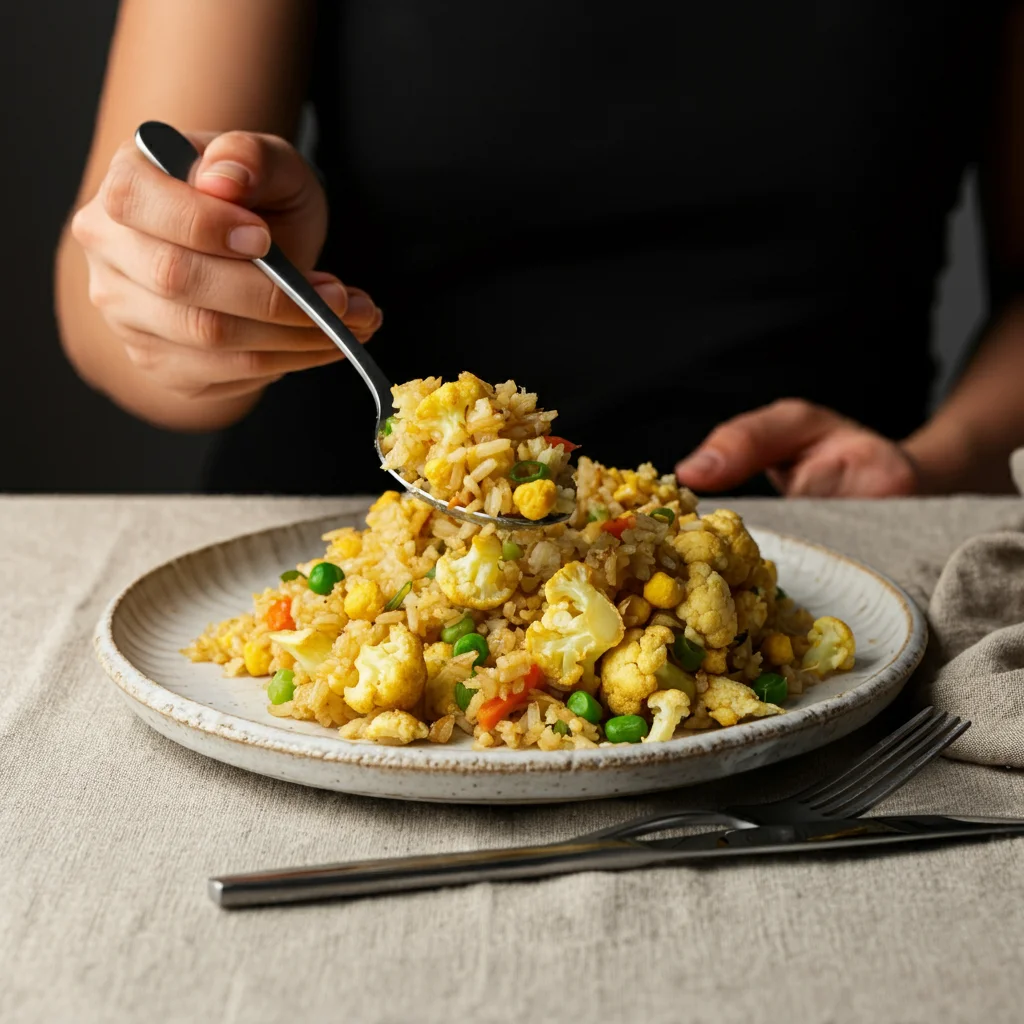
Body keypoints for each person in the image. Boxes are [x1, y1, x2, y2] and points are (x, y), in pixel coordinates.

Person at [56, 1, 1024, 498]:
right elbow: (105, 299)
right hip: (334, 546)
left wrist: (939, 464)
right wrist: (201, 285)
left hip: (822, 559)